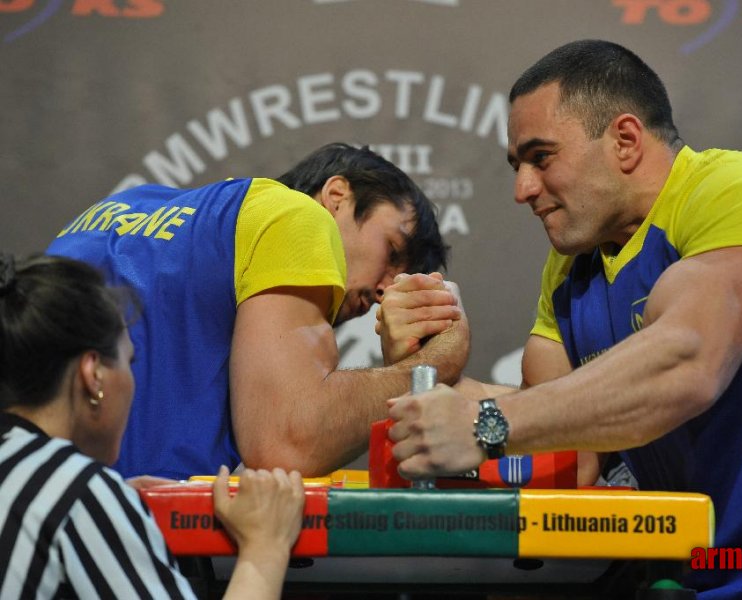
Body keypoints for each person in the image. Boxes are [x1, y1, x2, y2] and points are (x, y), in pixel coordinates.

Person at [382, 40, 742, 597]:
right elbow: (567, 447)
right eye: (517, 165)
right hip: (694, 575)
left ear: (626, 141)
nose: (522, 189)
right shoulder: (570, 267)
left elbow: (686, 361)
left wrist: (483, 424)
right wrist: (428, 368)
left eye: (541, 157)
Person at [46, 142, 467, 480]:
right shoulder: (297, 215)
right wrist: (435, 363)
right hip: (116, 539)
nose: (384, 290)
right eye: (391, 250)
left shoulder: (119, 207)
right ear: (336, 197)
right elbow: (287, 443)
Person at [0, 253, 305, 599]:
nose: (132, 380)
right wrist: (265, 548)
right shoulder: (73, 491)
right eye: (130, 361)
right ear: (93, 375)